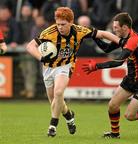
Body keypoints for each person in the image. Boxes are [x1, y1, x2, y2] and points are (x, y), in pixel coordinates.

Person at [26, 7, 119, 137]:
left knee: (59, 92)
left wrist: (121, 42)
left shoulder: (79, 31)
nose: (60, 27)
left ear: (71, 22)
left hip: (65, 66)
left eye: (63, 24)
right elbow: (30, 46)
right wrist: (41, 57)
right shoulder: (48, 33)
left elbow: (103, 34)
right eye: (58, 24)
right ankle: (69, 116)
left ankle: (53, 125)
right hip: (48, 68)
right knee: (55, 101)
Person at [82, 12, 138, 139]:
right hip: (131, 78)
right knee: (112, 106)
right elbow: (107, 49)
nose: (114, 30)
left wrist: (96, 66)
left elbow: (118, 62)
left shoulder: (133, 40)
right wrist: (94, 35)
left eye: (116, 28)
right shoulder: (123, 37)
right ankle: (115, 134)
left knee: (130, 116)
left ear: (124, 27)